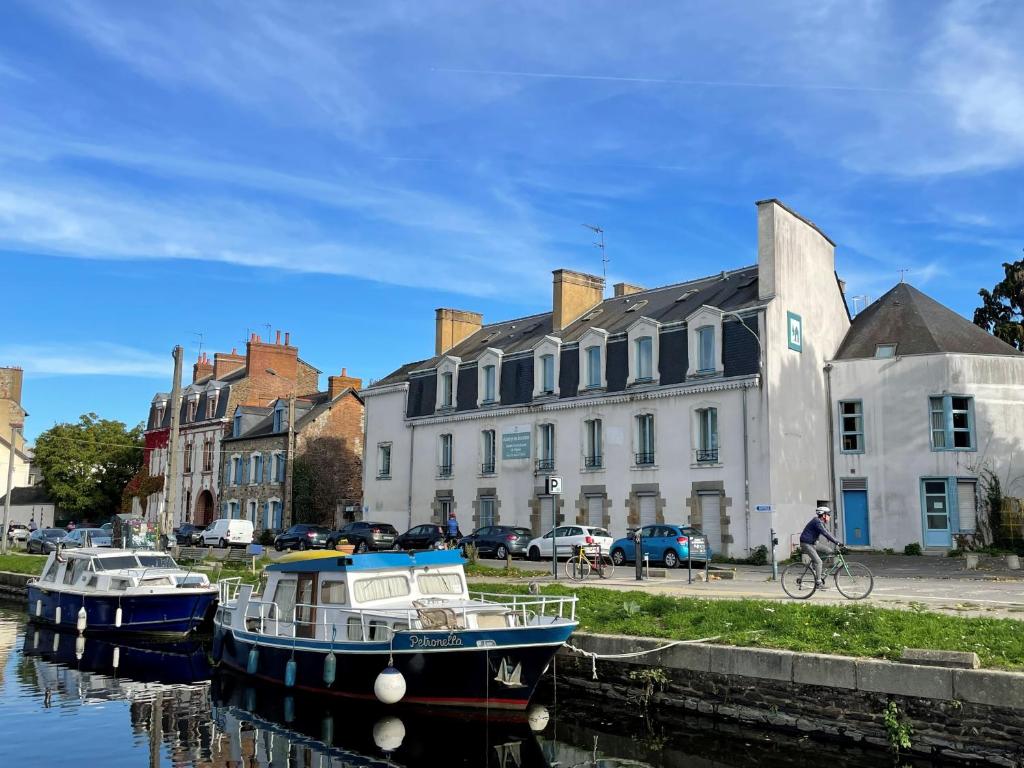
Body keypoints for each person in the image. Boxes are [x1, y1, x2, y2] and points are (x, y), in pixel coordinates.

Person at [799, 506, 841, 588]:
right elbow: (825, 533)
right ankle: (818, 582)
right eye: (828, 514)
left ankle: (815, 567)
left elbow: (826, 532)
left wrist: (833, 540)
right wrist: (837, 542)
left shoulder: (820, 522)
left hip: (813, 543)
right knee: (819, 562)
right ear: (823, 515)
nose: (830, 516)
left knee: (829, 551)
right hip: (806, 543)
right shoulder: (817, 522)